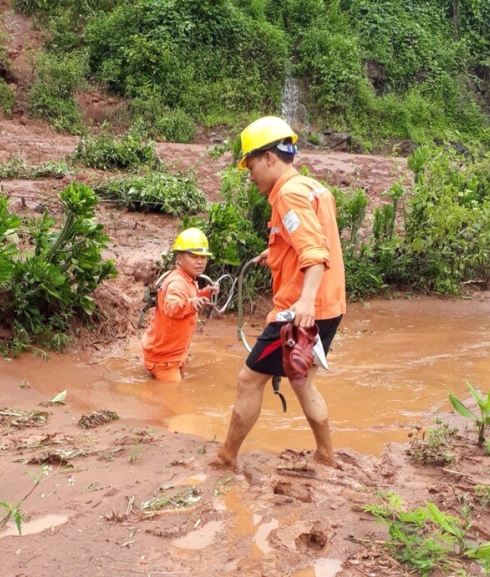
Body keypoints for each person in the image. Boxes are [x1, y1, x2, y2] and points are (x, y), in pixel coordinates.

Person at [214, 116, 346, 471]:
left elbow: (314, 253)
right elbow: (313, 238)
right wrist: (272, 253)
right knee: (303, 383)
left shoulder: (287, 195)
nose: (250, 173)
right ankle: (326, 455)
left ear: (270, 157)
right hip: (330, 306)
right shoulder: (312, 188)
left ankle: (226, 457)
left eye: (251, 164)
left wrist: (303, 302)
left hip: (300, 310)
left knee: (248, 380)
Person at [141, 228, 219, 382]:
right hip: (163, 358)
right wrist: (192, 303)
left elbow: (189, 298)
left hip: (173, 353)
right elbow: (172, 307)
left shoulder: (188, 279)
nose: (200, 261)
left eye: (203, 257)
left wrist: (204, 294)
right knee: (173, 395)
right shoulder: (177, 282)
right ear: (180, 258)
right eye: (194, 256)